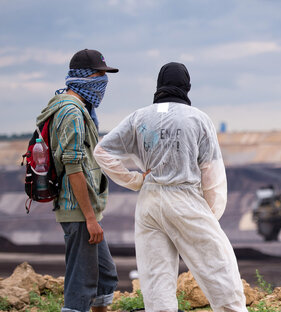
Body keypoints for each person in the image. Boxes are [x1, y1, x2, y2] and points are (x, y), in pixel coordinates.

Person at [94, 62, 247, 312]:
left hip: (149, 203)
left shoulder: (138, 117)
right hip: (185, 198)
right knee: (219, 266)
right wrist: (210, 214)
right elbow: (212, 172)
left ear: (159, 86)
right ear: (186, 86)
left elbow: (101, 151)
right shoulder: (198, 118)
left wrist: (135, 180)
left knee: (156, 277)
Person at [36, 49, 119, 312]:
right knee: (81, 286)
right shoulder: (71, 113)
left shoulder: (77, 107)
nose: (103, 82)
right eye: (99, 75)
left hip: (85, 209)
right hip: (78, 209)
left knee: (105, 277)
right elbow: (73, 168)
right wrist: (90, 218)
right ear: (85, 77)